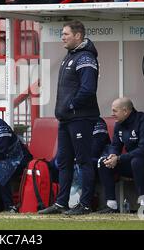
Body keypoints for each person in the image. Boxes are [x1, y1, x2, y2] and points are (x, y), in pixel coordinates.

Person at [38, 20, 100, 215]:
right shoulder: (70, 56)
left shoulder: (85, 58)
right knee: (64, 162)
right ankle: (61, 203)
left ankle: (85, 204)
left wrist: (71, 105)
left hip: (80, 117)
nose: (62, 37)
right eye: (62, 34)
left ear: (78, 36)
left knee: (83, 161)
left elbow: (88, 89)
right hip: (66, 119)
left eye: (65, 34)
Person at [97, 97, 144, 213]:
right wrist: (112, 155)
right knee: (103, 162)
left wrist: (119, 158)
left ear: (125, 111)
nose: (112, 114)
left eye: (115, 111)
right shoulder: (119, 123)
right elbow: (115, 145)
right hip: (135, 161)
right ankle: (111, 206)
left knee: (137, 161)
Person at [46, 117, 111, 209]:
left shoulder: (97, 122)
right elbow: (62, 153)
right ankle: (59, 203)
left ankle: (83, 203)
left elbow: (96, 149)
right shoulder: (67, 121)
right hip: (75, 159)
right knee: (53, 165)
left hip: (94, 159)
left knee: (82, 164)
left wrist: (76, 158)